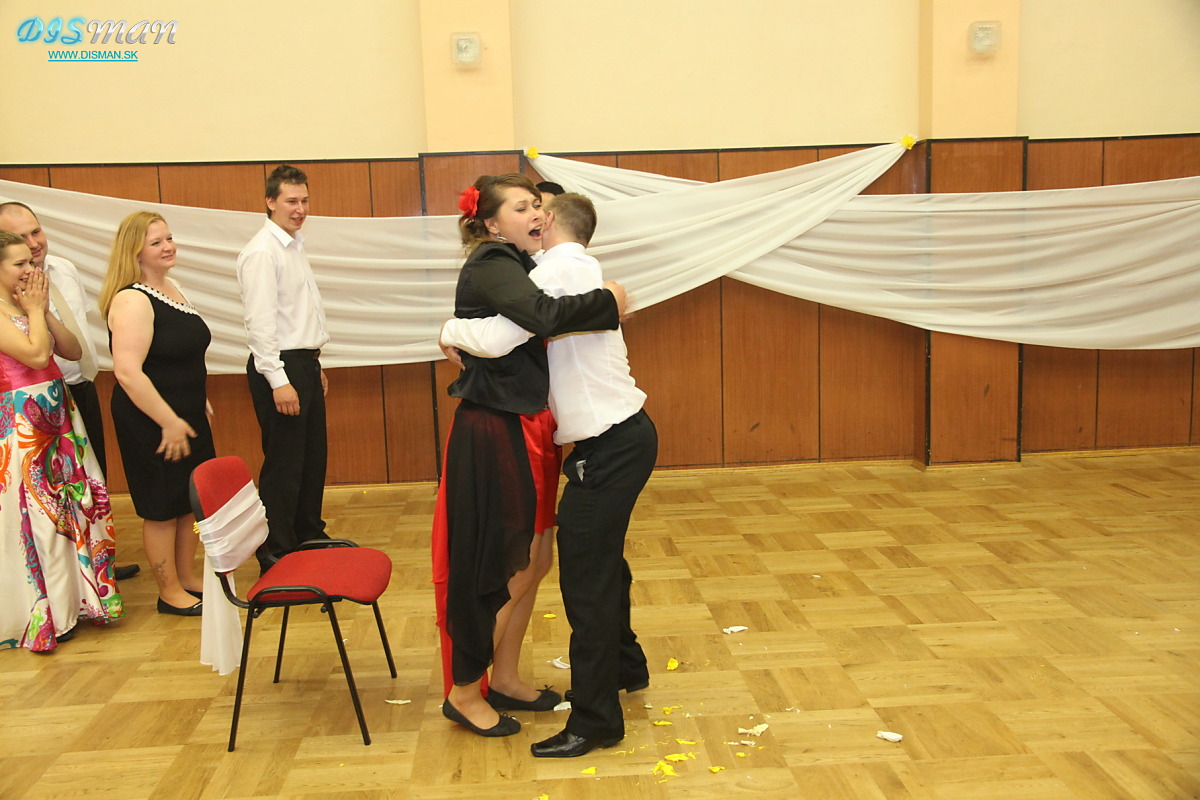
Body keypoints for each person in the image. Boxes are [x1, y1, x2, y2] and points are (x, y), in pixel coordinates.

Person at [441, 192, 656, 757]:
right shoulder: (571, 268)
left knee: (588, 582)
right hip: (619, 438)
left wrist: (449, 329)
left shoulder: (558, 269)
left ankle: (596, 722)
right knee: (602, 565)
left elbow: (499, 337)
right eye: (522, 209)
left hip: (610, 443)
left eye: (538, 209)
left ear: (552, 220)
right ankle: (627, 667)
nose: (534, 217)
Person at [0, 202, 140, 581]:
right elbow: (35, 354)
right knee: (43, 499)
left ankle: (94, 563)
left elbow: (74, 346)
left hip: (73, 392)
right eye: (21, 242)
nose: (33, 246)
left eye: (36, 232)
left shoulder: (62, 269)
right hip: (27, 410)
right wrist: (34, 308)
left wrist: (43, 310)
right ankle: (58, 574)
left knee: (88, 483)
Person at [100, 211, 214, 616]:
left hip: (183, 415)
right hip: (152, 420)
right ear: (135, 251)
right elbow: (128, 372)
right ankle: (168, 592)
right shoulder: (132, 299)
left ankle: (186, 576)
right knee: (162, 506)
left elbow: (179, 356)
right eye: (156, 242)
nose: (168, 247)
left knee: (189, 501)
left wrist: (197, 401)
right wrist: (168, 420)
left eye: (169, 238)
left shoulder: (172, 288)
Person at [238, 165, 330, 572]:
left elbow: (298, 315)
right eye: (291, 201)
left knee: (311, 458)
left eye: (304, 200)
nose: (300, 209)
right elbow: (261, 324)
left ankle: (308, 533)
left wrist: (314, 365)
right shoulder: (262, 251)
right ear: (270, 201)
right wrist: (279, 379)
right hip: (279, 367)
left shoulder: (293, 246)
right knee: (284, 464)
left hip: (302, 363)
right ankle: (276, 549)